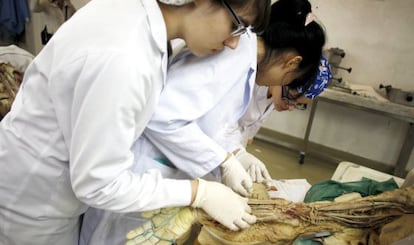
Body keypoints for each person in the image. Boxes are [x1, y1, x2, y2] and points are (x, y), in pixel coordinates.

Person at [0, 0, 270, 244]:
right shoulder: (125, 57)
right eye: (236, 26)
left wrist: (230, 157)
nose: (233, 43)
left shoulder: (140, 22)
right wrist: (199, 193)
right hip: (33, 203)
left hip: (44, 184)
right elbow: (98, 183)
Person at [80, 0, 326, 244]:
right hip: (144, 176)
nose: (231, 40)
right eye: (290, 80)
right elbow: (164, 116)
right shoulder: (234, 54)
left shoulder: (245, 60)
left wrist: (237, 153)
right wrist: (224, 161)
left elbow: (212, 120)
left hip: (163, 176)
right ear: (292, 62)